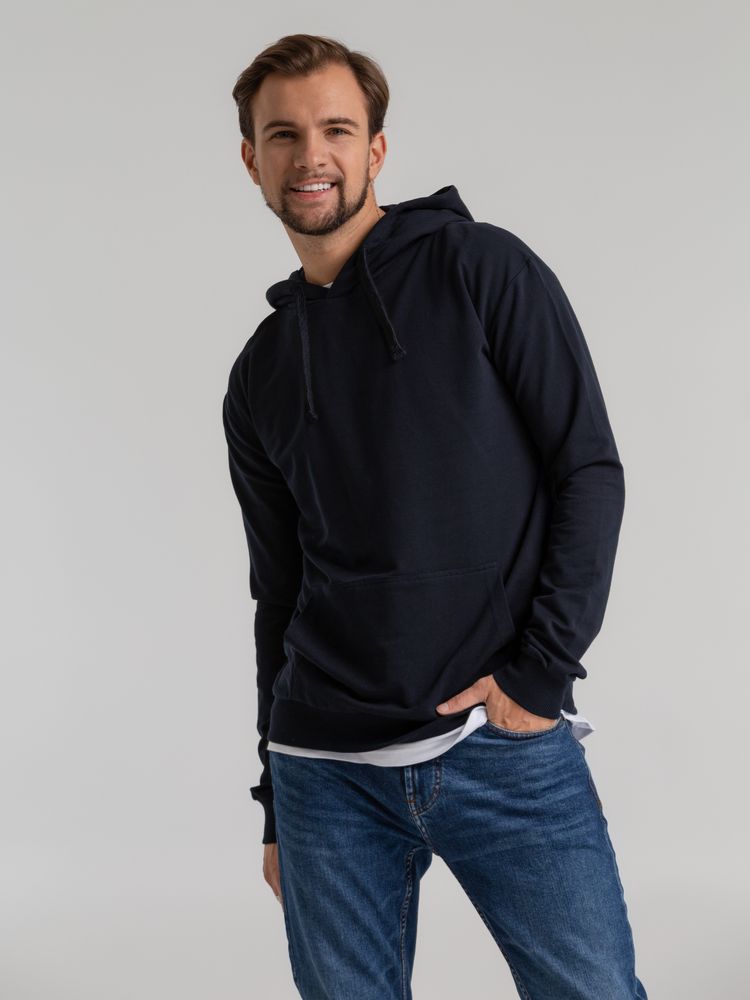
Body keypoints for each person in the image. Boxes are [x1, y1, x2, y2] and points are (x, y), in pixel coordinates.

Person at [222, 32, 648, 1000]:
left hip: (495, 745)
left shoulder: (481, 269)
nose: (311, 155)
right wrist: (276, 799)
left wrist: (538, 675)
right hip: (323, 770)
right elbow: (277, 591)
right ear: (252, 158)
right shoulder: (261, 372)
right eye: (283, 135)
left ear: (376, 148)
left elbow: (588, 469)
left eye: (336, 129)